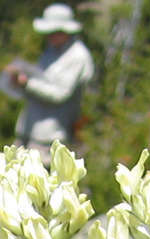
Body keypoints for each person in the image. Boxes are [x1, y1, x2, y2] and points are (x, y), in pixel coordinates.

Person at [5, 4, 94, 149]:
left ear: (65, 30)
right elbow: (42, 81)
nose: (49, 36)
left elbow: (60, 94)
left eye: (53, 32)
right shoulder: (51, 51)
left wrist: (27, 83)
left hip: (50, 137)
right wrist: (20, 81)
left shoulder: (77, 56)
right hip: (28, 129)